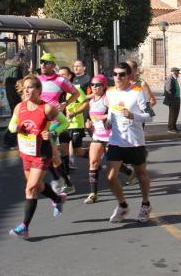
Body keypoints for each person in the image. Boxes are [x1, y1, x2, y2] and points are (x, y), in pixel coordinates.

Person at [8, 75, 70, 239]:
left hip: (42, 154)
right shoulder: (19, 107)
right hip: (26, 153)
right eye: (25, 87)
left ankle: (24, 227)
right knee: (38, 186)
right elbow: (11, 126)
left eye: (30, 87)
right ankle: (57, 199)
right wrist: (17, 127)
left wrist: (52, 132)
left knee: (30, 189)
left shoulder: (47, 108)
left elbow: (65, 122)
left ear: (39, 90)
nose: (27, 90)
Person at [105, 62, 153, 223]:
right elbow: (111, 110)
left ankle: (145, 204)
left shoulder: (138, 93)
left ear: (128, 76)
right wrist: (108, 121)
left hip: (135, 141)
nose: (118, 77)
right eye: (115, 74)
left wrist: (133, 115)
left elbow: (150, 116)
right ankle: (122, 205)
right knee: (111, 177)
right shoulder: (110, 92)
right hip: (116, 140)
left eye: (122, 75)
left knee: (140, 174)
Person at [37, 53, 79, 193]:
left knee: (49, 153)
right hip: (41, 121)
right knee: (50, 155)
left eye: (47, 62)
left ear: (53, 65)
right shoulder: (37, 80)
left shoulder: (61, 80)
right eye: (42, 62)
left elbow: (76, 94)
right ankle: (65, 181)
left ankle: (58, 180)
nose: (43, 64)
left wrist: (65, 103)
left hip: (55, 120)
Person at [58, 66, 89, 190]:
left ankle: (95, 157)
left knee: (77, 151)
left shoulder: (75, 89)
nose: (61, 77)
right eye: (59, 75)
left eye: (63, 75)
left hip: (76, 124)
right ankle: (67, 179)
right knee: (64, 150)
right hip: (63, 125)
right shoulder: (58, 91)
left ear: (69, 76)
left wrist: (75, 113)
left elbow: (86, 103)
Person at [83, 74, 112, 204]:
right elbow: (92, 121)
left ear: (104, 86)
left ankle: (129, 172)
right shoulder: (91, 101)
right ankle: (93, 193)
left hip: (111, 136)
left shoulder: (107, 99)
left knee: (111, 164)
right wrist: (89, 125)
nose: (95, 87)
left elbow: (116, 112)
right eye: (92, 85)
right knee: (93, 162)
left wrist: (105, 116)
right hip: (98, 135)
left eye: (98, 84)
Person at [2, 53, 25, 149]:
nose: (23, 61)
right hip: (15, 97)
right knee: (16, 118)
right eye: (23, 59)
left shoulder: (9, 68)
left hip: (10, 96)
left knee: (15, 118)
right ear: (19, 59)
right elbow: (17, 84)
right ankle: (9, 140)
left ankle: (10, 140)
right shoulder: (16, 69)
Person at [163, 67, 181, 133]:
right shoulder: (170, 78)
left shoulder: (174, 79)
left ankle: (174, 126)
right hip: (173, 99)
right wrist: (172, 99)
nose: (178, 74)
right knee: (172, 114)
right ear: (174, 72)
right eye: (177, 73)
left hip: (177, 98)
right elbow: (168, 90)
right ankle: (170, 128)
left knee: (176, 113)